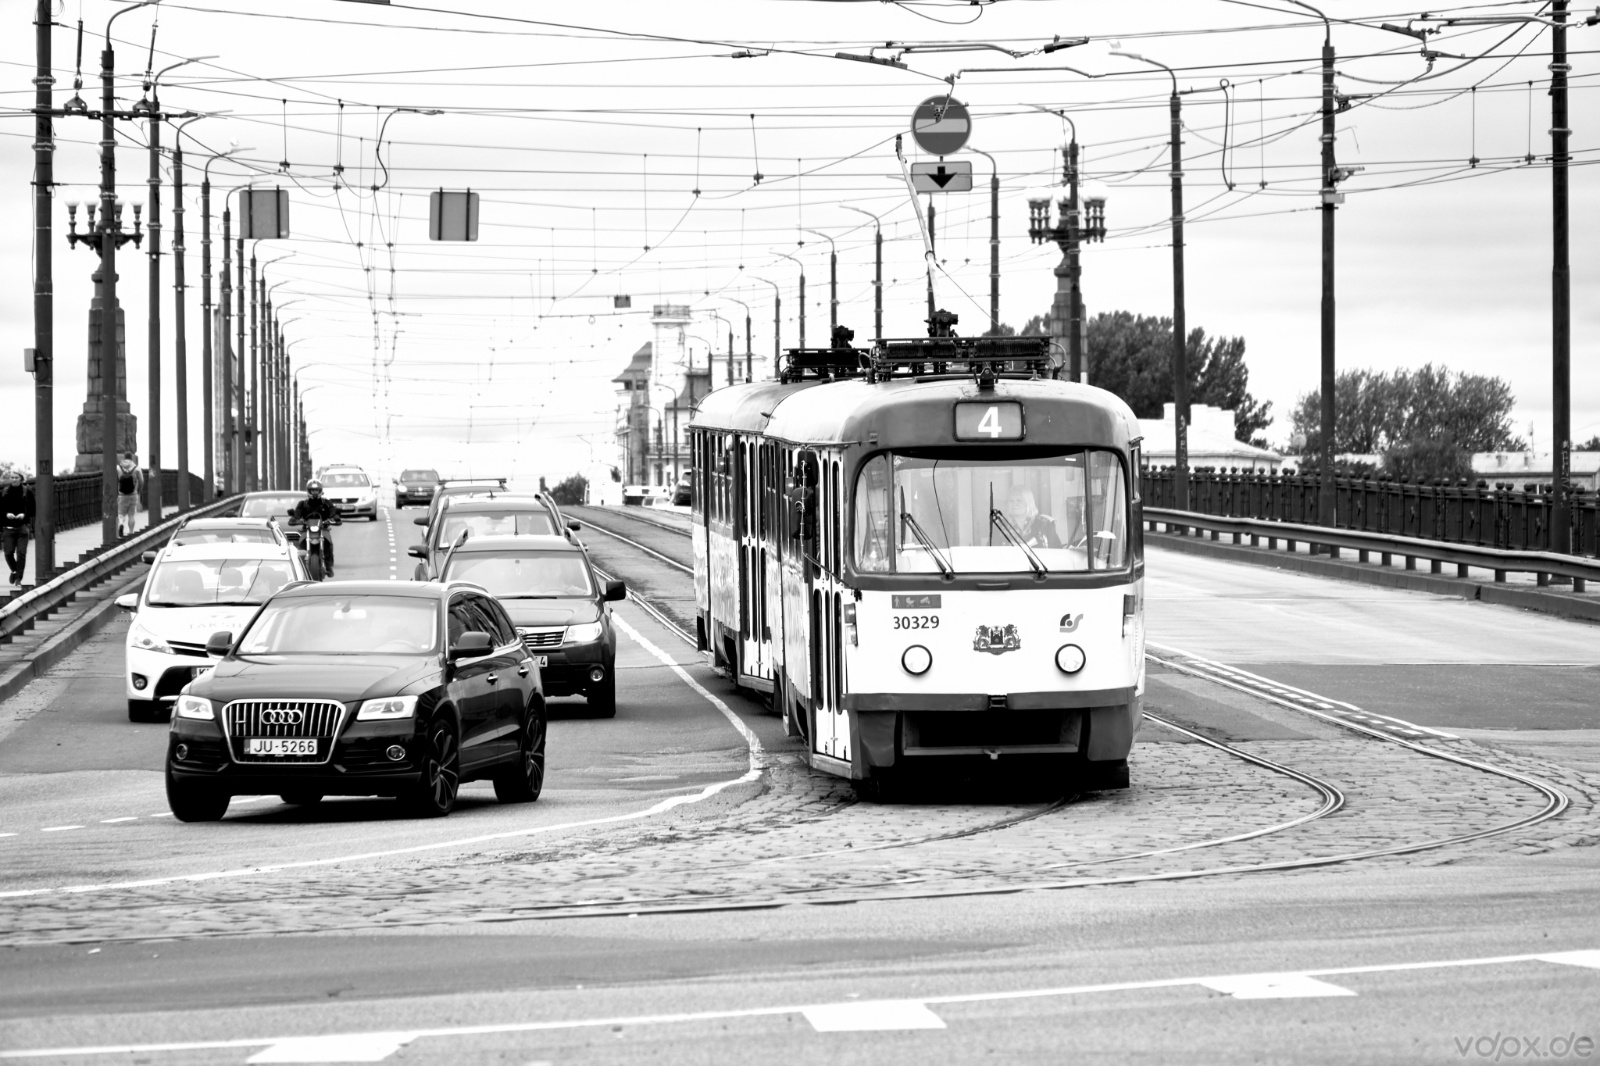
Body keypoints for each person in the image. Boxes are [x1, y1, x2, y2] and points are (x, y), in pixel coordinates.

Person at [290, 479, 341, 576]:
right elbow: (297, 514)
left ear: (320, 490)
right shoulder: (303, 503)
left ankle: (328, 565)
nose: (314, 492)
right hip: (307, 529)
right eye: (312, 490)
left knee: (328, 543)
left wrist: (335, 517)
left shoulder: (326, 503)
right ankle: (300, 566)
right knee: (301, 544)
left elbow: (332, 512)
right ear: (309, 491)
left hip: (322, 528)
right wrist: (295, 519)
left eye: (316, 490)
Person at [1, 470, 36, 587]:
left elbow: (33, 510)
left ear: (21, 479)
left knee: (21, 554)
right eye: (12, 477)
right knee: (8, 553)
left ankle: (18, 578)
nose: (14, 479)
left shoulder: (27, 492)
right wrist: (6, 514)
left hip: (22, 528)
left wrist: (24, 515)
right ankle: (14, 570)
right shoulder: (5, 492)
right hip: (8, 528)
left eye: (16, 477)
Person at [116, 453, 144, 537]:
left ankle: (121, 524)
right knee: (131, 515)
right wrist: (138, 491)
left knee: (121, 514)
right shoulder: (136, 468)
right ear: (131, 459)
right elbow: (141, 481)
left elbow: (114, 480)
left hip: (122, 494)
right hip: (133, 494)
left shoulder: (118, 468)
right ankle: (131, 532)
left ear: (124, 458)